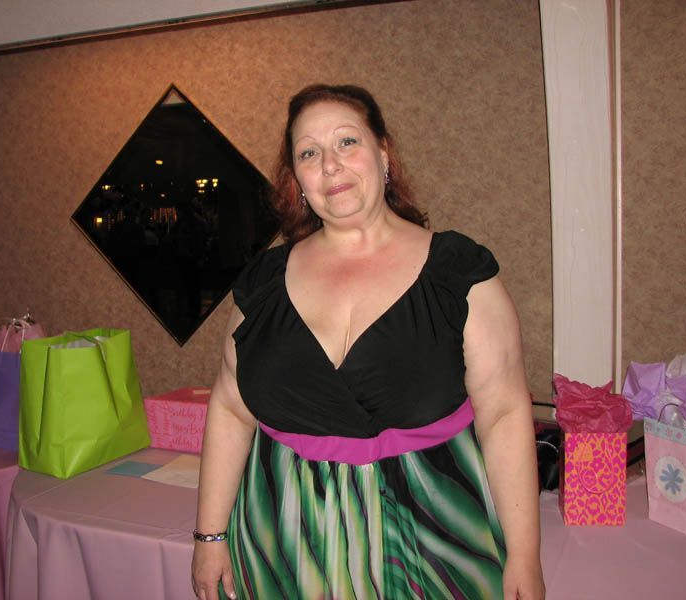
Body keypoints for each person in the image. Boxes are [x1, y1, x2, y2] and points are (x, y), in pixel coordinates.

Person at [191, 84, 545, 600]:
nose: (330, 165)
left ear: (383, 154)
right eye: (309, 152)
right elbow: (229, 407)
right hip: (284, 544)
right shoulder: (263, 282)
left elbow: (506, 415)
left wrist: (525, 557)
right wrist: (209, 535)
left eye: (346, 142)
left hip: (432, 541)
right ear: (297, 181)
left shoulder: (456, 272)